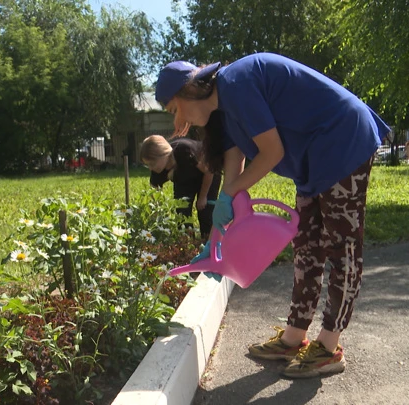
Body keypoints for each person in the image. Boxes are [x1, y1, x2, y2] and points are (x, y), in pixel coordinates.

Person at [154, 52, 390, 379]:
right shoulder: (225, 107)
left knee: (342, 248)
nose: (179, 121)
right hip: (315, 155)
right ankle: (294, 337)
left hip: (343, 140)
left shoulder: (237, 85)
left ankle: (329, 346)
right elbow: (234, 165)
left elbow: (272, 153)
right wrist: (216, 236)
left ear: (189, 91)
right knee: (307, 246)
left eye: (173, 109)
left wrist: (230, 194)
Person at [140, 135, 222, 240]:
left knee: (205, 212)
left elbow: (209, 171)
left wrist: (203, 197)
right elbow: (154, 191)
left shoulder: (184, 151)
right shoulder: (158, 170)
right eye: (148, 165)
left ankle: (209, 245)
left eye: (152, 163)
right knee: (182, 213)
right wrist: (156, 212)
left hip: (208, 175)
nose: (151, 168)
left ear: (163, 154)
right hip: (184, 180)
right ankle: (188, 245)